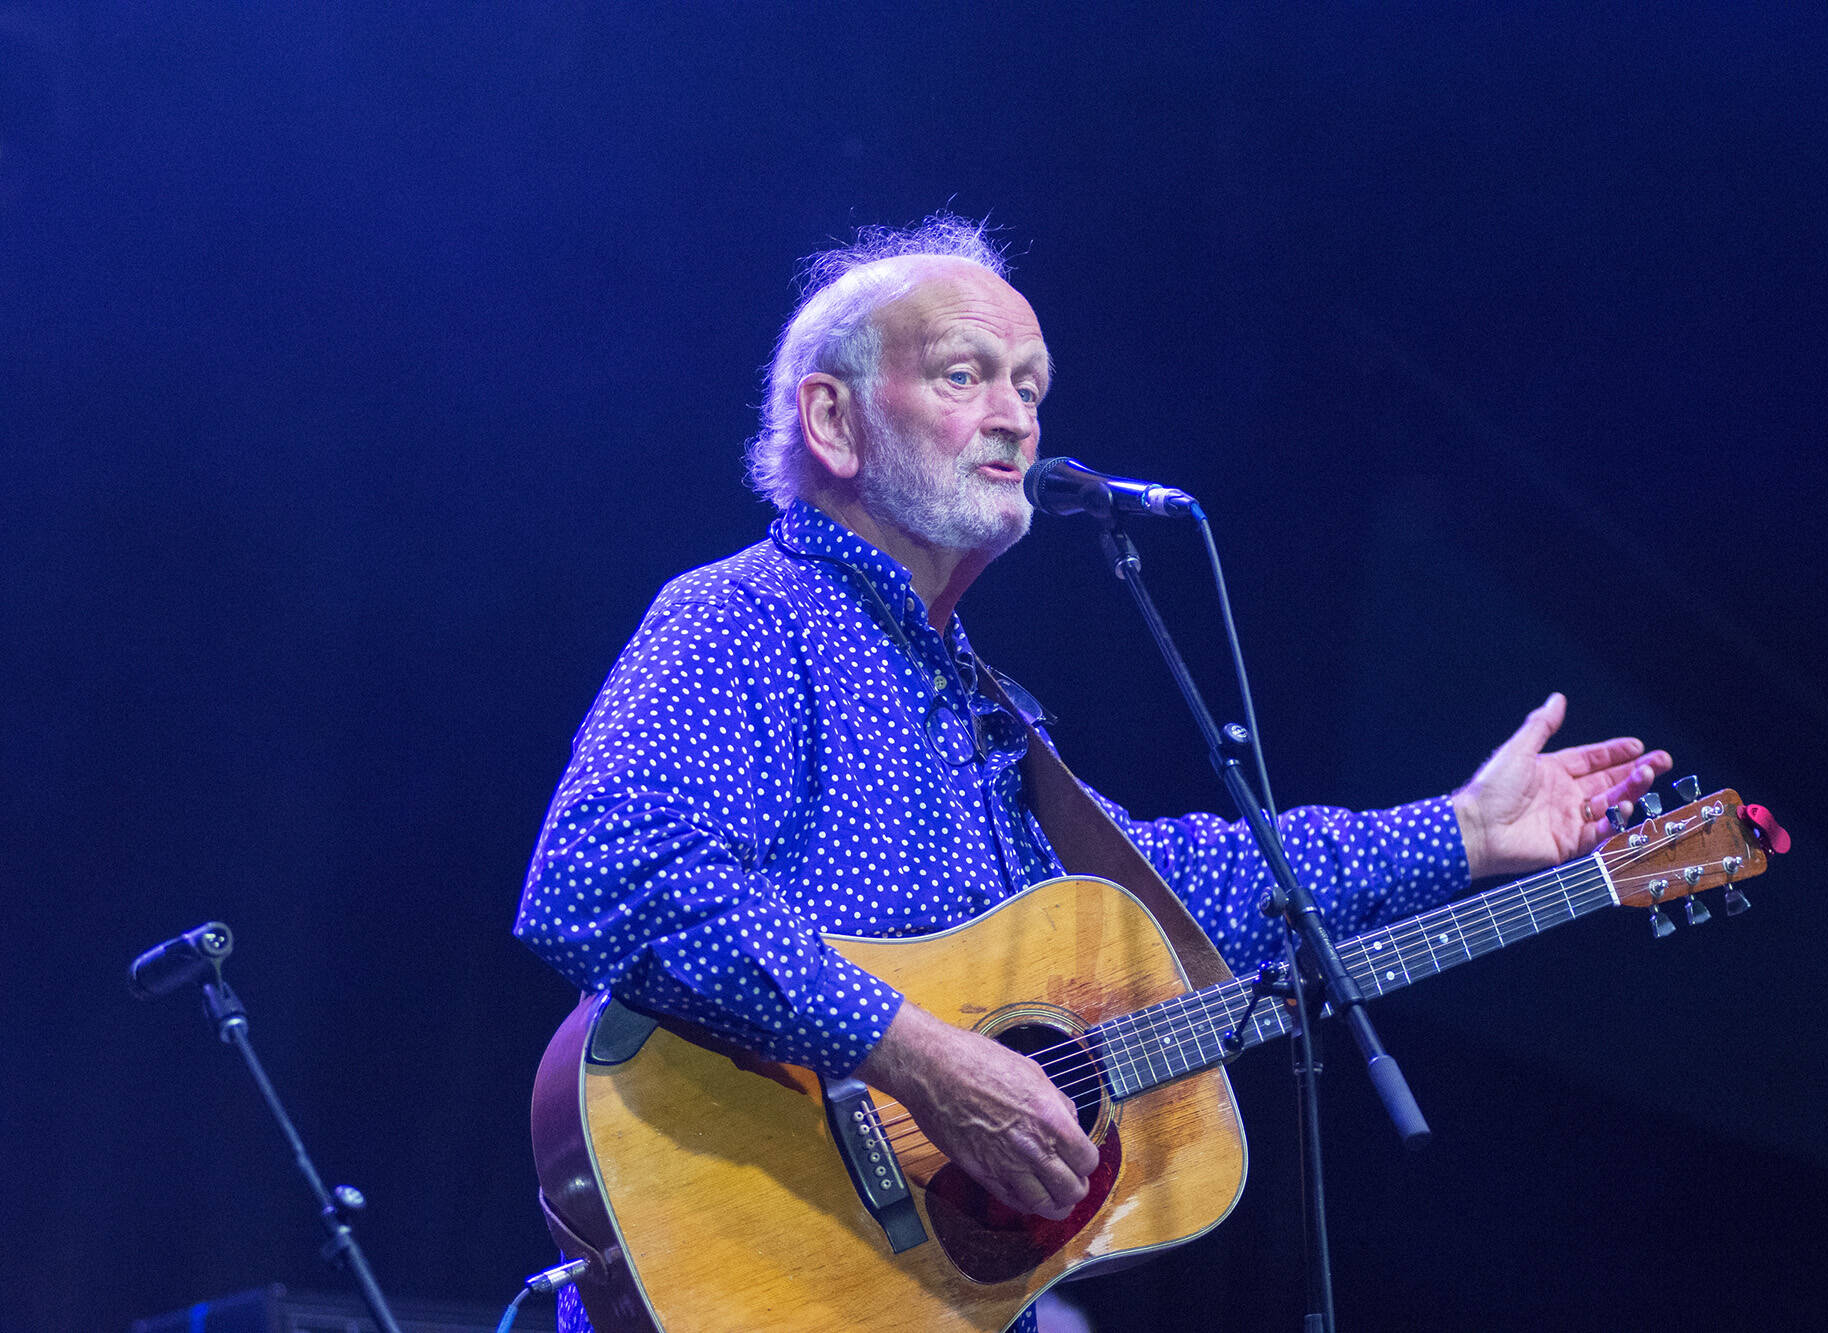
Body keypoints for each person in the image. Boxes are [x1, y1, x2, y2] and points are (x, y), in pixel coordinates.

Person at [514, 215, 1670, 1333]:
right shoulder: (745, 617)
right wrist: (921, 1057)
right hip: (747, 1259)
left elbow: (1178, 894)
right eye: (965, 374)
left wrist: (1462, 830)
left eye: (1029, 385)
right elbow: (607, 876)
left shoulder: (980, 709)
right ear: (833, 418)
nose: (1015, 417)